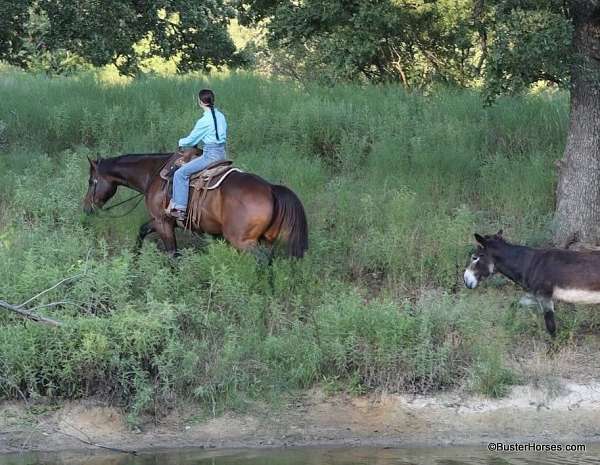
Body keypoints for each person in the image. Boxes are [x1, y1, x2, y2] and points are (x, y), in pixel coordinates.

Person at [167, 89, 227, 220]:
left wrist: (180, 142)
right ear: (212, 100)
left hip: (210, 155)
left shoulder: (204, 121)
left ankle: (180, 209)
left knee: (180, 174)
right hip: (222, 154)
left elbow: (192, 140)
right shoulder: (221, 116)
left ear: (200, 102)